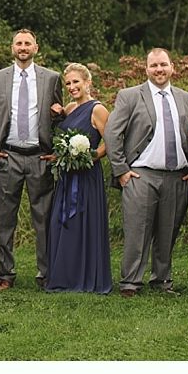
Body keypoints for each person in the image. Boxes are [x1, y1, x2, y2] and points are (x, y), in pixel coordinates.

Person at [104, 48, 188, 297]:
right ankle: (130, 282)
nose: (159, 69)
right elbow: (112, 133)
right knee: (138, 231)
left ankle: (162, 281)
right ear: (146, 69)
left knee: (168, 232)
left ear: (172, 67)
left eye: (163, 65)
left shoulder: (186, 99)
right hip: (141, 175)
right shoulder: (130, 96)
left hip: (177, 176)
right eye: (154, 65)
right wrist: (121, 170)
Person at [0, 29, 63, 290]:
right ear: (12, 48)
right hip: (9, 156)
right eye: (19, 43)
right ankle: (5, 274)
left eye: (28, 43)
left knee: (43, 218)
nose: (23, 47)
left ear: (36, 48)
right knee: (6, 218)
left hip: (40, 156)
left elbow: (60, 119)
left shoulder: (52, 78)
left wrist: (58, 148)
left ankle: (46, 273)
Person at [45, 63, 112, 294]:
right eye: (69, 83)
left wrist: (91, 156)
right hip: (66, 176)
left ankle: (85, 277)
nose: (72, 87)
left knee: (83, 223)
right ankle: (65, 275)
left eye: (76, 82)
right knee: (62, 223)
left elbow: (109, 142)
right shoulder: (70, 108)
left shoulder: (98, 109)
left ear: (88, 82)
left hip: (86, 177)